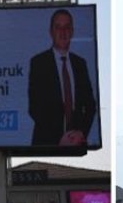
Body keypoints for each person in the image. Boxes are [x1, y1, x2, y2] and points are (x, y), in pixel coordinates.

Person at [28, 9, 97, 146]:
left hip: (76, 142)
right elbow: (34, 108)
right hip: (46, 143)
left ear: (72, 31)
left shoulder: (80, 64)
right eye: (58, 27)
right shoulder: (39, 63)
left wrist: (81, 133)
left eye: (67, 27)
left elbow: (90, 105)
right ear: (51, 32)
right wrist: (59, 139)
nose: (63, 32)